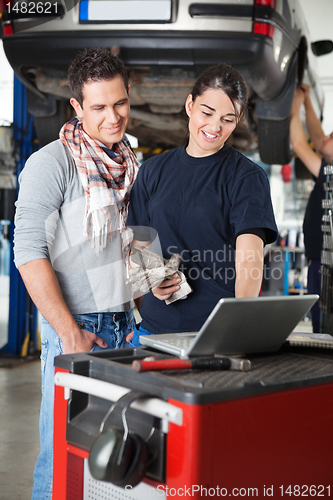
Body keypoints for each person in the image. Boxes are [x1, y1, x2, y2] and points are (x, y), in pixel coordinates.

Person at [13, 47, 140, 499]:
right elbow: (27, 252)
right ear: (77, 107)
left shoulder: (130, 163)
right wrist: (69, 334)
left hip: (128, 328)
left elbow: (133, 242)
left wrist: (154, 282)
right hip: (81, 330)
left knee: (118, 461)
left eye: (120, 103)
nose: (113, 117)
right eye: (99, 107)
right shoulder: (53, 163)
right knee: (64, 461)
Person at [126, 63, 278, 345]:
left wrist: (239, 331)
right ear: (189, 105)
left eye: (228, 119)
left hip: (214, 335)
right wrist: (152, 279)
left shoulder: (247, 177)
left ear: (239, 119)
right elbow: (139, 246)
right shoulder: (152, 171)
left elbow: (249, 260)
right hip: (152, 333)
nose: (214, 127)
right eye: (207, 112)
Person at [290, 83, 333, 332]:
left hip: (324, 264)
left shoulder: (330, 173)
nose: (325, 137)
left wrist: (293, 108)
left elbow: (300, 144)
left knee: (322, 323)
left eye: (332, 136)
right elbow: (318, 140)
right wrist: (306, 101)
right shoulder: (328, 170)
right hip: (320, 260)